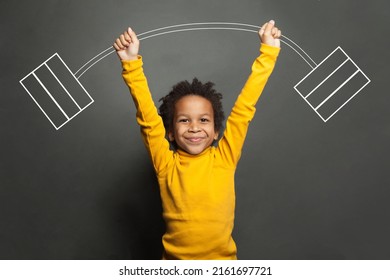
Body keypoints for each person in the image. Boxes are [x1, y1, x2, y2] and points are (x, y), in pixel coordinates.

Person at [113, 20, 281, 259]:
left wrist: (269, 52)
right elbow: (148, 120)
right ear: (170, 132)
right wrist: (130, 63)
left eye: (203, 120)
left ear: (216, 131)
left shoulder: (225, 157)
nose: (194, 128)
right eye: (184, 120)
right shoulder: (165, 164)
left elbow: (244, 108)